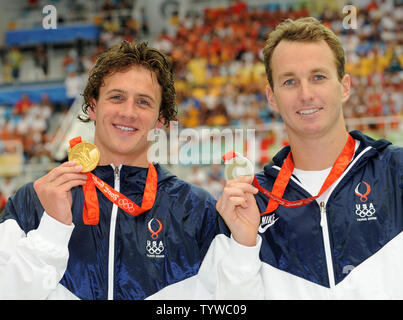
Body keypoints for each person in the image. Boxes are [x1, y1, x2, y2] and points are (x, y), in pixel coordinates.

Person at [152, 17, 403, 299]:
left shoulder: (396, 172)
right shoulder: (252, 202)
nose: (306, 94)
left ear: (344, 86)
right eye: (290, 81)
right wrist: (243, 248)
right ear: (272, 97)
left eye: (318, 77)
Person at [0, 41, 218, 300]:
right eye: (117, 97)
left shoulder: (197, 209)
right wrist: (51, 231)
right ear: (93, 107)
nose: (128, 112)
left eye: (143, 102)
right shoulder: (33, 199)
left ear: (160, 119)